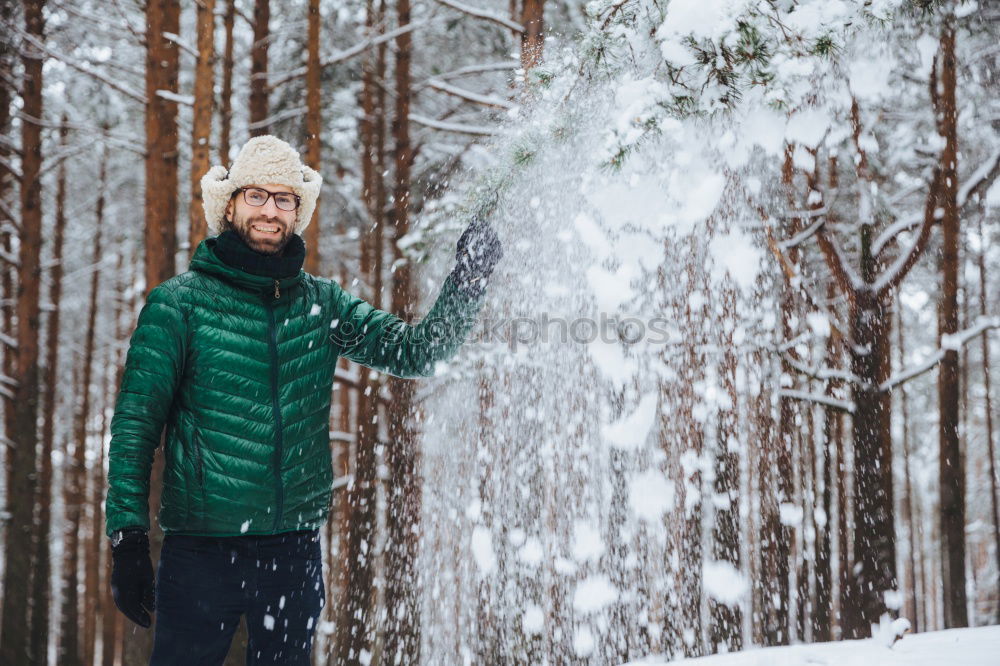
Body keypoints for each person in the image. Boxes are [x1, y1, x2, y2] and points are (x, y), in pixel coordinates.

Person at [104, 135, 502, 665]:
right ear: (229, 206)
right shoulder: (179, 305)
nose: (271, 210)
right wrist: (127, 537)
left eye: (284, 199)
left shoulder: (321, 302)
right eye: (257, 196)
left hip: (292, 552)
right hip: (201, 550)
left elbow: (415, 353)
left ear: (298, 211)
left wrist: (467, 281)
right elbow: (135, 425)